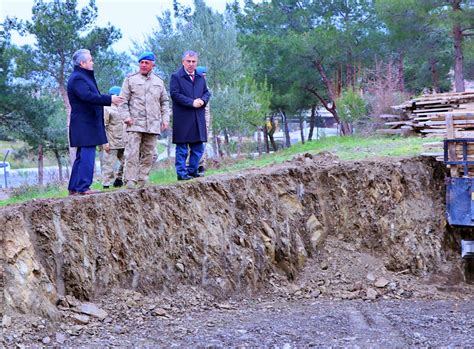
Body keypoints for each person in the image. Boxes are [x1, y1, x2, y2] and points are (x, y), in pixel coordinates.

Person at [67, 48, 124, 195]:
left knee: (81, 156)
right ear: (82, 63)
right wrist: (110, 99)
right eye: (90, 60)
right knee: (87, 155)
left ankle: (74, 188)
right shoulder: (78, 78)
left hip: (86, 122)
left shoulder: (82, 76)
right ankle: (84, 187)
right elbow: (88, 96)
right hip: (84, 123)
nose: (93, 62)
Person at [120, 51, 171, 189]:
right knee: (132, 152)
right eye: (141, 62)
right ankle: (130, 180)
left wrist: (165, 119)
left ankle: (142, 178)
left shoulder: (159, 82)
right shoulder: (130, 79)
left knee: (149, 153)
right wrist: (126, 117)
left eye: (146, 63)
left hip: (153, 124)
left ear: (152, 65)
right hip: (134, 123)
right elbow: (122, 101)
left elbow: (165, 102)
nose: (143, 65)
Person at [170, 51, 211, 180]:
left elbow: (206, 92)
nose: (191, 64)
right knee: (182, 149)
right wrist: (191, 102)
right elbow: (175, 95)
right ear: (183, 62)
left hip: (198, 117)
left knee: (198, 147)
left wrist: (203, 100)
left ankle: (192, 171)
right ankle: (181, 174)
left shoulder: (199, 77)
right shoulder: (176, 77)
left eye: (193, 62)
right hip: (183, 118)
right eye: (188, 61)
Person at [102, 86, 126, 189]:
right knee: (109, 166)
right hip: (111, 142)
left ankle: (119, 179)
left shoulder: (123, 108)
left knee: (127, 162)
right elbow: (103, 126)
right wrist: (105, 142)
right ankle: (106, 185)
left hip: (124, 141)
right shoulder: (106, 109)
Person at [195, 66, 212, 176]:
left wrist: (206, 123)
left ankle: (201, 166)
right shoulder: (193, 88)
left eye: (205, 76)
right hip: (194, 120)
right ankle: (193, 166)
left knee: (202, 144)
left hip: (204, 121)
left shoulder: (205, 89)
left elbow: (207, 110)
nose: (204, 78)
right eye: (202, 76)